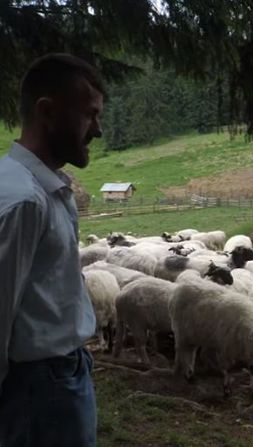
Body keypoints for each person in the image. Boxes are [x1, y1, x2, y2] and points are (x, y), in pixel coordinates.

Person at [0, 53, 104, 447]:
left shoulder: (38, 187)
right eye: (89, 115)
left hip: (56, 375)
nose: (98, 129)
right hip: (40, 389)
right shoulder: (25, 200)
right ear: (47, 111)